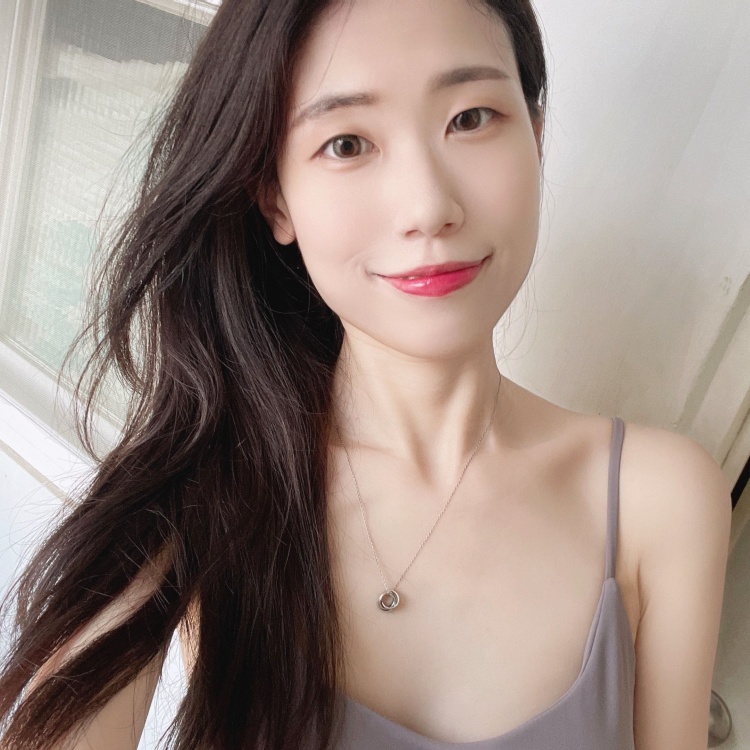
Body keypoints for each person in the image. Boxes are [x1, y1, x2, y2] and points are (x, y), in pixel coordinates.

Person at [0, 0, 732, 748]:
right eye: (346, 143)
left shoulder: (659, 500)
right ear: (275, 197)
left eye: (471, 118)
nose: (428, 206)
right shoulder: (199, 494)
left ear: (537, 139)